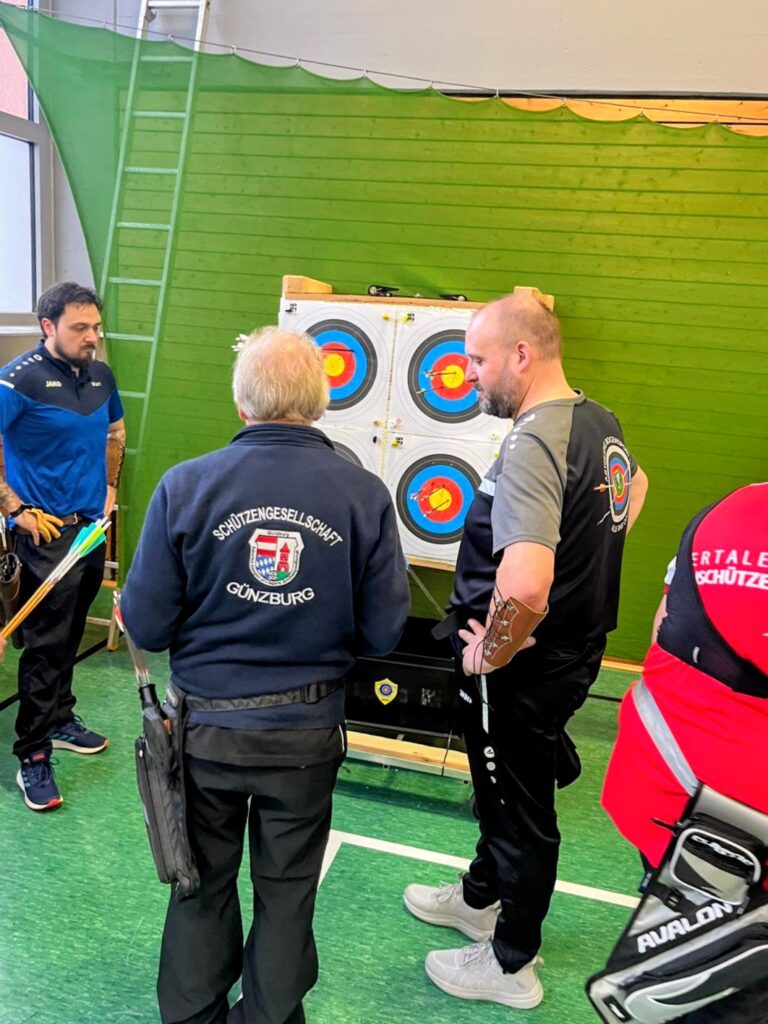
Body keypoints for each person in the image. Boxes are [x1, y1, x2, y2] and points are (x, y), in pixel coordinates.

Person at [121, 326, 410, 1024]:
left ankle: (193, 1015)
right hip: (305, 737)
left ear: (241, 403)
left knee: (200, 882)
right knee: (287, 892)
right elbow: (383, 633)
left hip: (206, 735)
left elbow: (148, 627)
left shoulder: (185, 485)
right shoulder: (363, 493)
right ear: (321, 401)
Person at [403, 291, 648, 1008]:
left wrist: (494, 651)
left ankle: (511, 962)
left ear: (521, 354)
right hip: (565, 652)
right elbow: (634, 490)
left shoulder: (537, 438)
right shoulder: (595, 418)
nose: (468, 374)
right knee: (500, 786)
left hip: (523, 666)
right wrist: (583, 565)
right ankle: (480, 897)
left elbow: (527, 581)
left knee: (517, 805)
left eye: (477, 360)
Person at [601, 482, 768, 1023]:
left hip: (671, 794)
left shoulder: (731, 509)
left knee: (690, 959)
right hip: (732, 821)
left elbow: (664, 624)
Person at [0, 282, 125, 812]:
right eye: (79, 328)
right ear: (47, 326)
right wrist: (15, 510)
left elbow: (115, 433)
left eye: (95, 326)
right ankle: (32, 753)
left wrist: (111, 488)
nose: (91, 336)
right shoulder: (18, 379)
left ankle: (59, 717)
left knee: (72, 632)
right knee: (46, 646)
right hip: (45, 536)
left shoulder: (101, 375)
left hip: (91, 529)